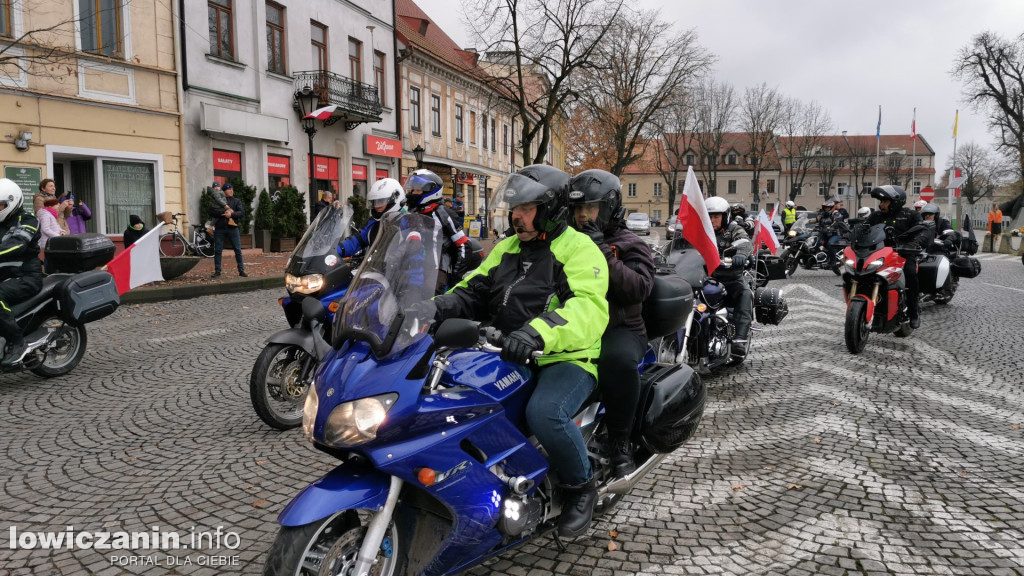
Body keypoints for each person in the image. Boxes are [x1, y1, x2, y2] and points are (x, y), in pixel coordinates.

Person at [431, 164, 609, 539]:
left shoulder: (579, 249)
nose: (516, 216)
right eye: (514, 208)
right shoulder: (508, 248)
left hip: (565, 357)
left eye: (526, 207)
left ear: (551, 208)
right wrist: (431, 309)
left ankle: (582, 489)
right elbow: (472, 289)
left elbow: (587, 309)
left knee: (545, 413)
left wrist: (535, 333)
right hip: (507, 351)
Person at [568, 169, 654, 478]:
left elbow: (638, 289)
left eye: (589, 208)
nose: (582, 216)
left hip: (621, 328)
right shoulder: (566, 242)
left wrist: (603, 252)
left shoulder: (630, 243)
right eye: (577, 209)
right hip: (574, 328)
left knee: (616, 361)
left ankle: (621, 440)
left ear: (609, 208)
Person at [866, 185, 932, 329]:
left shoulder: (910, 215)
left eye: (885, 201)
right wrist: (851, 236)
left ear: (895, 201)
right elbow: (864, 228)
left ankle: (914, 312)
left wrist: (915, 242)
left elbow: (923, 231)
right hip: (878, 252)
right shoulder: (875, 216)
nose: (881, 204)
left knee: (910, 273)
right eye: (881, 201)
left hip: (903, 253)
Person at [0, 179, 44, 366]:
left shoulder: (28, 220)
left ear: (12, 202)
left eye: (0, 205)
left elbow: (17, 243)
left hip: (26, 276)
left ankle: (17, 342)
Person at [403, 169, 468, 292]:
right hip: (415, 269)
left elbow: (464, 245)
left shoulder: (443, 213)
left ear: (430, 190)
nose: (412, 193)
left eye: (417, 189)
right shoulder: (414, 213)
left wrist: (455, 276)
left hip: (437, 269)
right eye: (412, 189)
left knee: (431, 300)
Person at [706, 196, 753, 359]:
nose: (712, 220)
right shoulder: (702, 230)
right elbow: (683, 243)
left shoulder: (733, 228)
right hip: (706, 278)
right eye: (709, 216)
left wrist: (741, 254)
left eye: (716, 217)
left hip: (730, 279)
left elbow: (745, 241)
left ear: (725, 216)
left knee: (745, 293)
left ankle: (740, 339)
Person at [337, 178, 405, 257]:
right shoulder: (374, 223)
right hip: (374, 267)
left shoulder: (408, 222)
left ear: (396, 199)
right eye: (374, 202)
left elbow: (415, 251)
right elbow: (356, 241)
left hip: (399, 268)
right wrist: (336, 251)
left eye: (381, 201)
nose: (376, 206)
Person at [208, 181, 246, 278]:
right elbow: (211, 211)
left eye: (232, 189)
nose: (231, 191)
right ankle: (217, 271)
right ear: (224, 191)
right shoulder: (217, 200)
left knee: (237, 250)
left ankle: (241, 270)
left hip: (233, 228)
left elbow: (241, 213)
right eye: (229, 189)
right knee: (218, 250)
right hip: (220, 228)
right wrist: (223, 213)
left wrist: (231, 214)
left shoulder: (236, 201)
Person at [36, 196, 66, 274]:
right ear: (50, 206)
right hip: (47, 243)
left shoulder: (51, 214)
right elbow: (45, 229)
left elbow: (55, 226)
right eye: (56, 205)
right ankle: (49, 275)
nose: (59, 206)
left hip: (52, 242)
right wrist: (57, 236)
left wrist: (61, 231)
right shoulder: (45, 214)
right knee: (48, 261)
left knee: (51, 261)